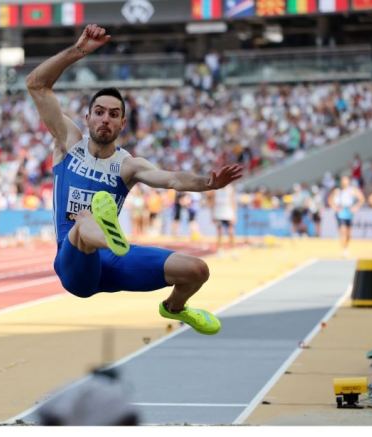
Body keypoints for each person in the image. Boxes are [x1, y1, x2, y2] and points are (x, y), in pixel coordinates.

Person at [25, 24, 243, 335]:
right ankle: (109, 236)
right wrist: (79, 50)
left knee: (197, 270)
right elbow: (36, 85)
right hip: (75, 265)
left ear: (122, 123)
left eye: (113, 114)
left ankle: (174, 307)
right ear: (87, 118)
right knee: (85, 221)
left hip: (115, 262)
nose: (105, 119)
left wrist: (207, 183)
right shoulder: (67, 142)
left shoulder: (128, 166)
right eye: (99, 112)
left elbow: (173, 180)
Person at [328, 175, 365, 257]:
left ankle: (346, 246)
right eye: (343, 180)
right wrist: (335, 207)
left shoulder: (352, 190)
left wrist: (356, 207)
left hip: (349, 213)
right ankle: (344, 249)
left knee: (348, 233)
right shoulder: (337, 190)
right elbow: (330, 200)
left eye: (346, 180)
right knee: (343, 231)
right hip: (340, 213)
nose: (344, 182)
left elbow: (362, 199)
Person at [207, 183, 237, 252]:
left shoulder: (230, 189)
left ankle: (233, 248)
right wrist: (212, 214)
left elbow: (233, 201)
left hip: (228, 212)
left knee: (231, 231)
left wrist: (234, 214)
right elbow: (212, 202)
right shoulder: (215, 190)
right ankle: (219, 249)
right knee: (220, 232)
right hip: (218, 213)